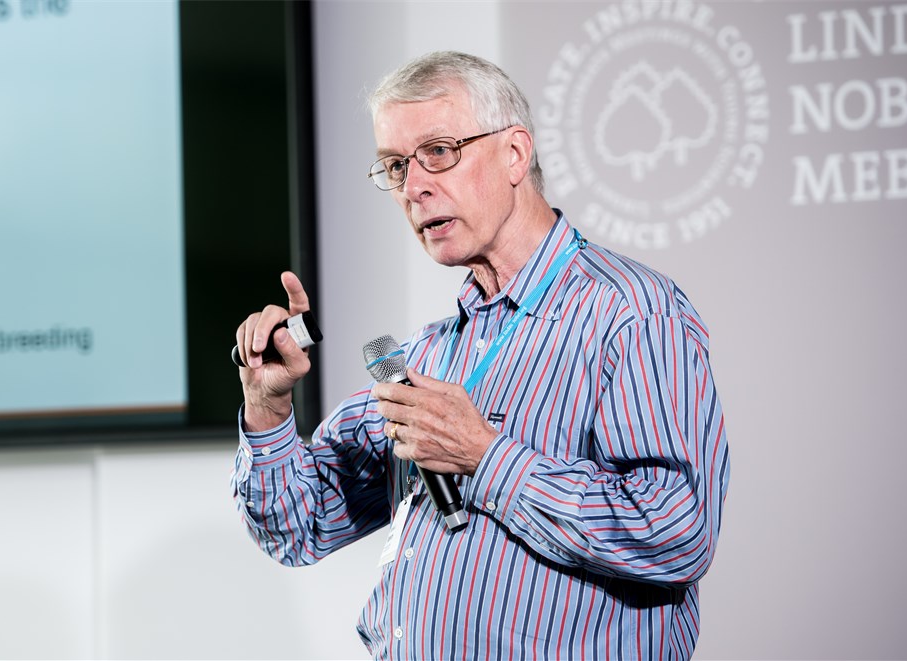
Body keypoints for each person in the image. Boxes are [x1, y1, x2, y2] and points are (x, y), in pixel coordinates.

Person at [232, 50, 730, 660]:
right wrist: (267, 405)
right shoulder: (430, 355)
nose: (414, 186)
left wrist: (486, 456)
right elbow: (296, 525)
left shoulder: (628, 312)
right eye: (394, 166)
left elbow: (675, 532)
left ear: (515, 153)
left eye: (438, 152)